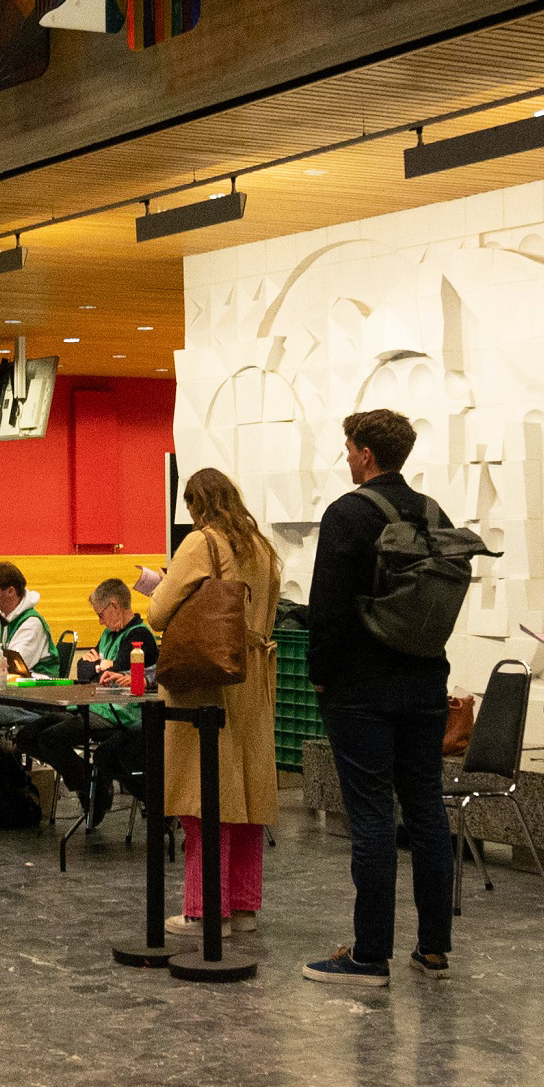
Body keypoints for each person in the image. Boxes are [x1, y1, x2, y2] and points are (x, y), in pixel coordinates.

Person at [302, 408, 456, 986]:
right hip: (426, 681)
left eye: (348, 449)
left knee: (370, 817)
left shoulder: (348, 513)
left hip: (362, 689)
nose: (346, 458)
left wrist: (321, 674)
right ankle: (433, 949)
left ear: (366, 454)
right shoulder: (434, 513)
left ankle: (369, 956)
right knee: (427, 811)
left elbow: (327, 605)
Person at [145, 469, 282, 937]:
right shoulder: (262, 548)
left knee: (203, 796)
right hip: (254, 678)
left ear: (196, 505)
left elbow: (158, 613)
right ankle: (242, 907)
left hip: (209, 681)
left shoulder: (201, 543)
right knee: (247, 798)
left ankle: (205, 911)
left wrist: (163, 586)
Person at [19, 577, 157, 828]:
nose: (100, 621)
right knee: (28, 736)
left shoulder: (139, 636)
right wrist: (100, 667)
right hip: (92, 706)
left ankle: (91, 788)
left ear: (114, 606)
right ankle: (90, 781)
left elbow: (114, 674)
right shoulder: (108, 634)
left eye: (101, 614)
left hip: (120, 713)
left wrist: (100, 667)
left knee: (51, 738)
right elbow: (84, 670)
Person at [0, 562, 54, 675]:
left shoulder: (31, 624)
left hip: (40, 683)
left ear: (10, 591)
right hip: (21, 681)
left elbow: (12, 666)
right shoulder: (5, 619)